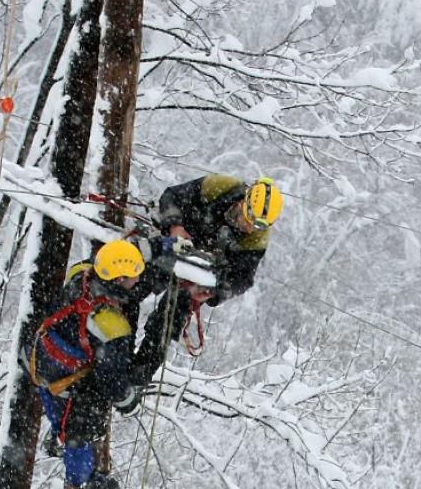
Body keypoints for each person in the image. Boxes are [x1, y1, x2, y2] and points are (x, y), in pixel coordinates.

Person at [26, 238, 167, 489]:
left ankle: (68, 451)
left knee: (64, 423)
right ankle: (79, 482)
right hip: (65, 381)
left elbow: (100, 262)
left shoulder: (81, 276)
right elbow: (111, 379)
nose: (137, 282)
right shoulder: (110, 326)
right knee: (81, 429)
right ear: (116, 280)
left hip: (40, 359)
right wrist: (129, 401)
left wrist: (154, 249)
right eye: (131, 277)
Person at [129, 174, 284, 386]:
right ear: (243, 201)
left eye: (257, 227)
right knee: (134, 285)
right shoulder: (220, 188)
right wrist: (175, 225)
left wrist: (216, 292)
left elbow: (243, 279)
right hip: (172, 245)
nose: (248, 228)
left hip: (198, 274)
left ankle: (138, 377)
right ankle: (114, 347)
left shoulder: (257, 239)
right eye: (247, 219)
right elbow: (171, 196)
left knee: (168, 323)